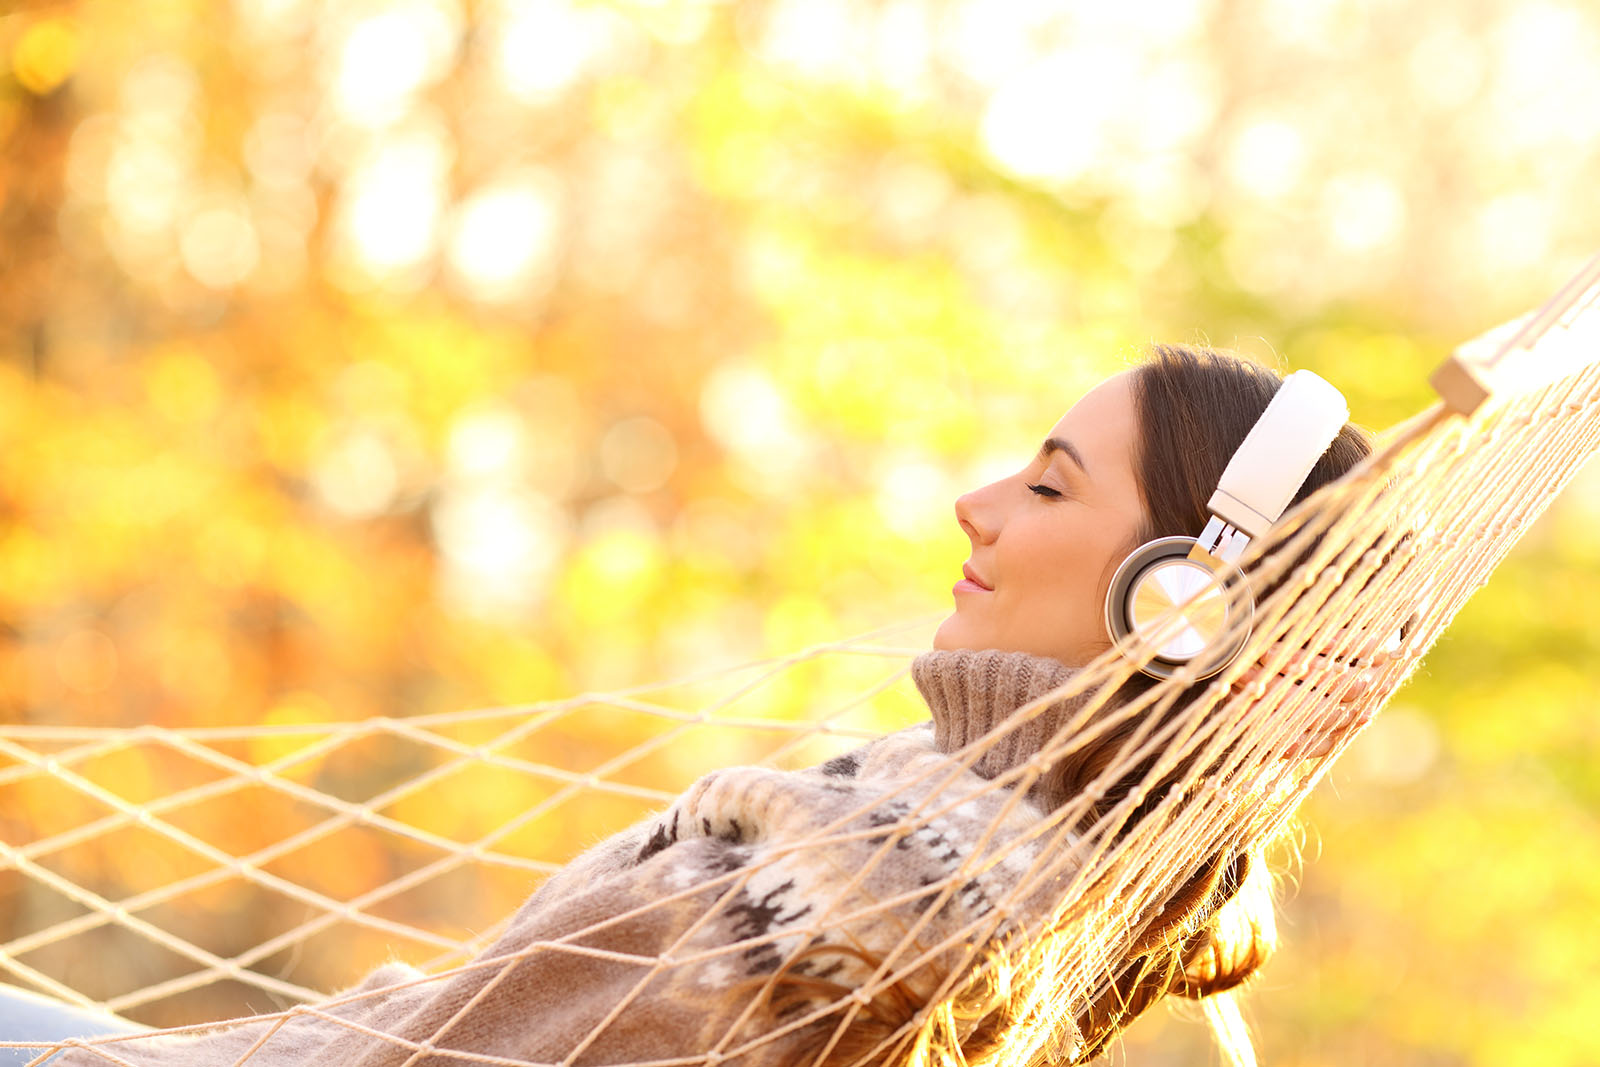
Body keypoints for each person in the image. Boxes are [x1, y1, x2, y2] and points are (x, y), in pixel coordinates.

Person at [26, 344, 1381, 1067]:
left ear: (1177, 600)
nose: (971, 504)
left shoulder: (927, 884)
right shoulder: (983, 827)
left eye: (1048, 486)